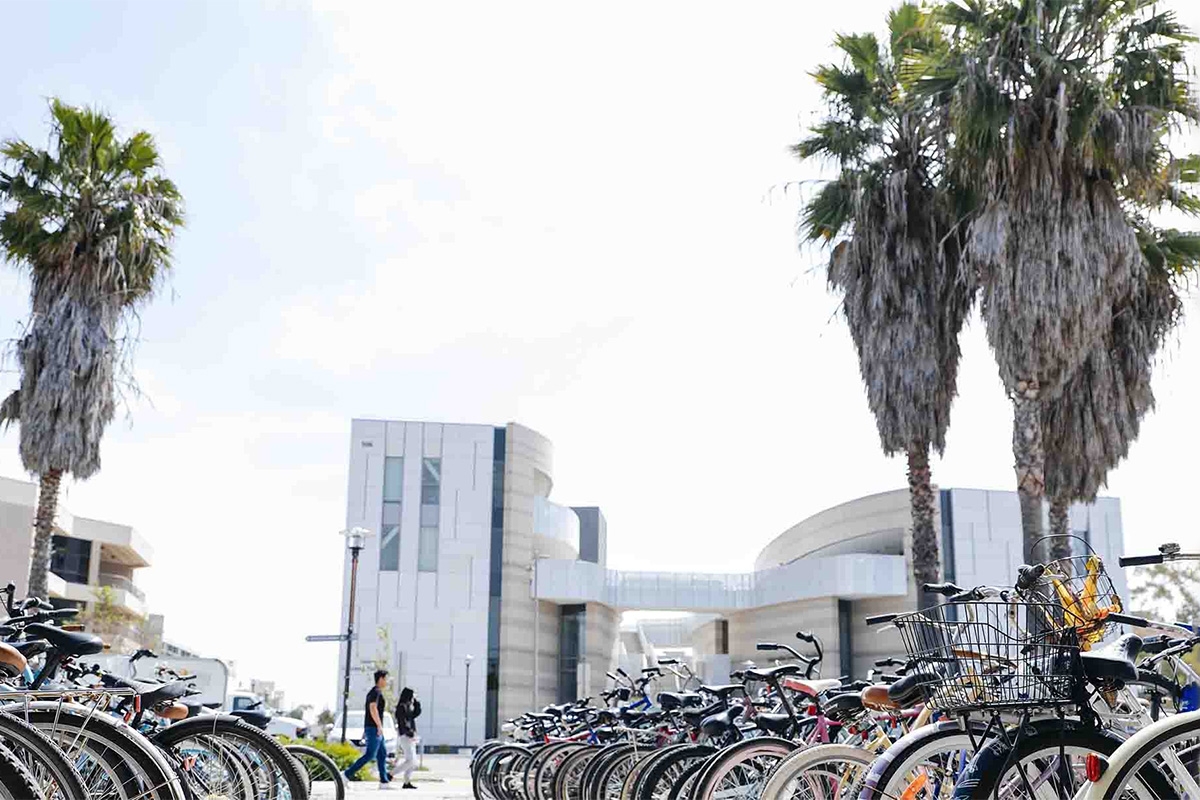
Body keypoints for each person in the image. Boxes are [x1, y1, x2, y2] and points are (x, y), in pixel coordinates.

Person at [344, 669, 393, 787]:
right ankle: (345, 775)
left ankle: (384, 782)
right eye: (386, 679)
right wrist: (379, 726)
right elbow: (372, 708)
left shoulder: (375, 692)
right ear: (381, 679)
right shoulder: (375, 692)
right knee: (370, 755)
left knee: (382, 754)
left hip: (373, 728)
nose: (387, 682)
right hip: (374, 728)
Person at [394, 686, 423, 790]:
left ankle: (407, 782)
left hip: (410, 736)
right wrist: (409, 732)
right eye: (412, 695)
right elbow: (402, 722)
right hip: (405, 736)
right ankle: (391, 774)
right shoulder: (402, 707)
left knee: (413, 762)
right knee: (410, 761)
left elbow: (416, 713)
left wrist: (416, 702)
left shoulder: (408, 706)